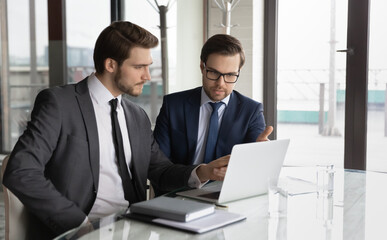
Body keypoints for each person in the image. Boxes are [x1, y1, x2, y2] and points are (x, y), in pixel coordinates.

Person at [2, 21, 228, 239]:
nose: (147, 76)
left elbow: (159, 169)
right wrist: (78, 223)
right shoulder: (60, 104)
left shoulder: (136, 116)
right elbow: (21, 171)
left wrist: (204, 172)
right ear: (110, 65)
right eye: (139, 67)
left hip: (134, 226)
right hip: (82, 228)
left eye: (148, 67)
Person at [154, 34, 272, 168]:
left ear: (238, 72)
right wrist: (197, 176)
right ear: (202, 67)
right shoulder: (173, 106)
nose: (220, 83)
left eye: (230, 75)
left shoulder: (251, 111)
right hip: (182, 186)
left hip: (228, 188)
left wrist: (262, 154)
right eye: (214, 73)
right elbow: (159, 166)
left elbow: (252, 167)